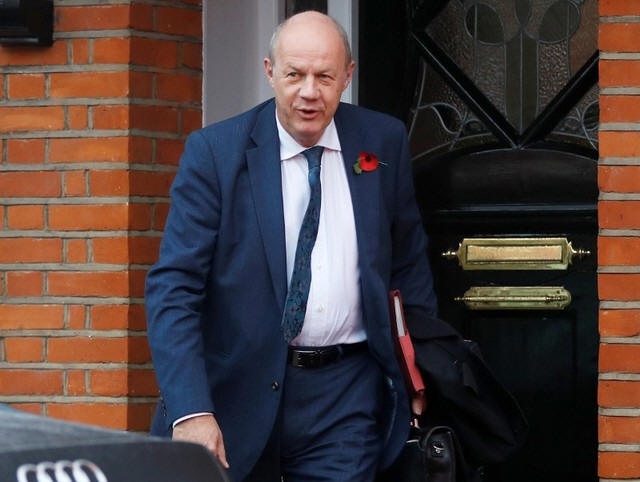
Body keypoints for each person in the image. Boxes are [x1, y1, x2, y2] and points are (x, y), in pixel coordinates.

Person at [145, 10, 437, 482]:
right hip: (233, 394)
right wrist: (191, 410)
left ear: (348, 76)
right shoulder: (215, 154)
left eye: (325, 77)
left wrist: (417, 372)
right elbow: (173, 289)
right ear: (269, 72)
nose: (309, 92)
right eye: (294, 75)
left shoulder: (382, 142)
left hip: (345, 396)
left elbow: (407, 266)